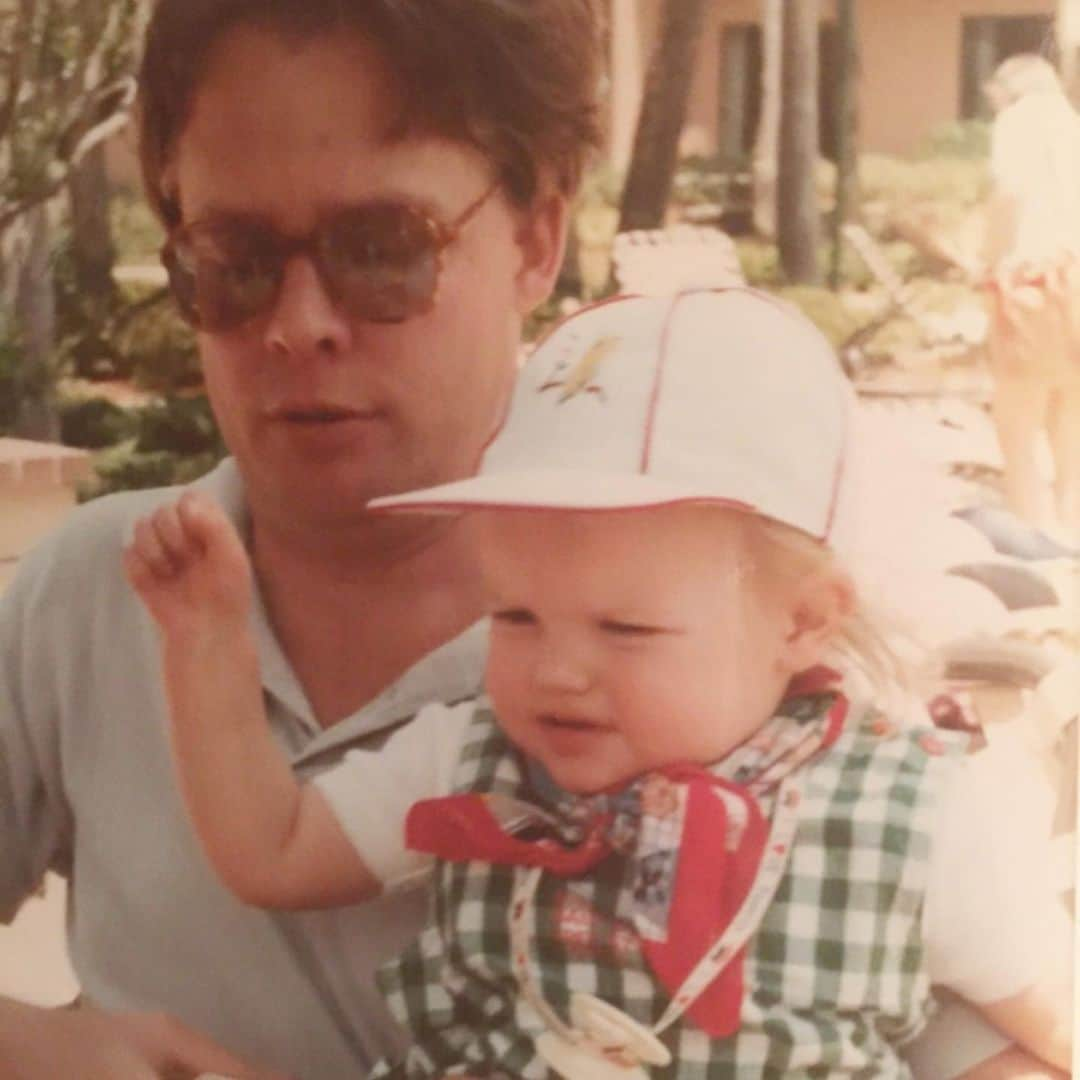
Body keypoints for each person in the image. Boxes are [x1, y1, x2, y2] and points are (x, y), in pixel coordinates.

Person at [126, 289, 1073, 1078]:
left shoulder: (917, 818)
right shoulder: (470, 758)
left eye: (626, 629)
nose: (557, 672)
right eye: (514, 614)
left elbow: (1053, 1028)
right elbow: (272, 851)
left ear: (803, 620)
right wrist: (205, 640)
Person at [0, 0, 601, 1076]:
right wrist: (37, 1047)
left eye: (382, 249)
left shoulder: (676, 648)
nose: (299, 323)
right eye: (233, 259)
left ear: (537, 240)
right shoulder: (91, 597)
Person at [982, 52, 1080, 540]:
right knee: (1070, 408)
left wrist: (987, 260)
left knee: (1016, 414)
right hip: (1076, 274)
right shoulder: (1071, 121)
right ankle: (1072, 522)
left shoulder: (1019, 120)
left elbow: (1008, 194)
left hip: (1034, 279)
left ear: (1007, 90)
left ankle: (1032, 527)